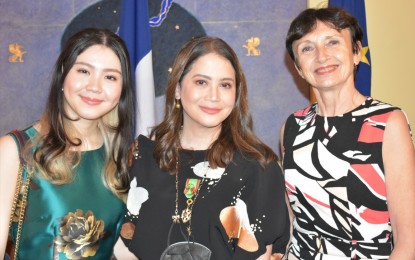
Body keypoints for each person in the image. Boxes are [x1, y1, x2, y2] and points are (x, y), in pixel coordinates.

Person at [114, 36, 290, 259]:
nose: (214, 96)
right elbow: (120, 242)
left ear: (236, 94)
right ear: (177, 89)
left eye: (225, 85)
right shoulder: (142, 156)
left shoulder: (259, 167)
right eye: (201, 82)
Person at [281, 7, 415, 259]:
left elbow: (408, 242)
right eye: (307, 48)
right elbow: (293, 221)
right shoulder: (292, 126)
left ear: (355, 53)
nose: (321, 56)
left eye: (332, 42)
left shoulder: (387, 123)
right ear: (298, 68)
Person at [0, 28, 134, 259]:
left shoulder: (118, 156)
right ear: (62, 74)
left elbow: (114, 247)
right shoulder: (16, 150)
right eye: (84, 71)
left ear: (121, 90)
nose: (95, 86)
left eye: (110, 76)